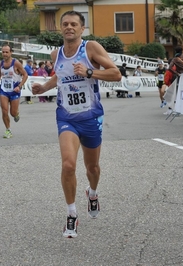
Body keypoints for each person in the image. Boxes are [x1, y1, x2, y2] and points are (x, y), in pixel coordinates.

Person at [31, 10, 122, 238]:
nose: (69, 27)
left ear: (82, 29)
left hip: (91, 118)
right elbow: (60, 77)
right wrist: (44, 87)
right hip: (66, 117)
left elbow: (116, 74)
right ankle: (71, 214)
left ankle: (92, 193)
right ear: (60, 28)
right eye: (65, 24)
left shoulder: (91, 48)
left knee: (92, 168)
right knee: (68, 165)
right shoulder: (56, 54)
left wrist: (90, 71)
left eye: (74, 24)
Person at [0, 45, 28, 139]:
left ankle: (16, 113)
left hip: (15, 90)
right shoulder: (0, 64)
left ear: (11, 53)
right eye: (3, 52)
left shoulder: (16, 63)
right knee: (4, 111)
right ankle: (8, 130)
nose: (5, 54)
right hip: (4, 90)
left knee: (13, 113)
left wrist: (19, 86)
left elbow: (25, 75)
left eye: (7, 52)